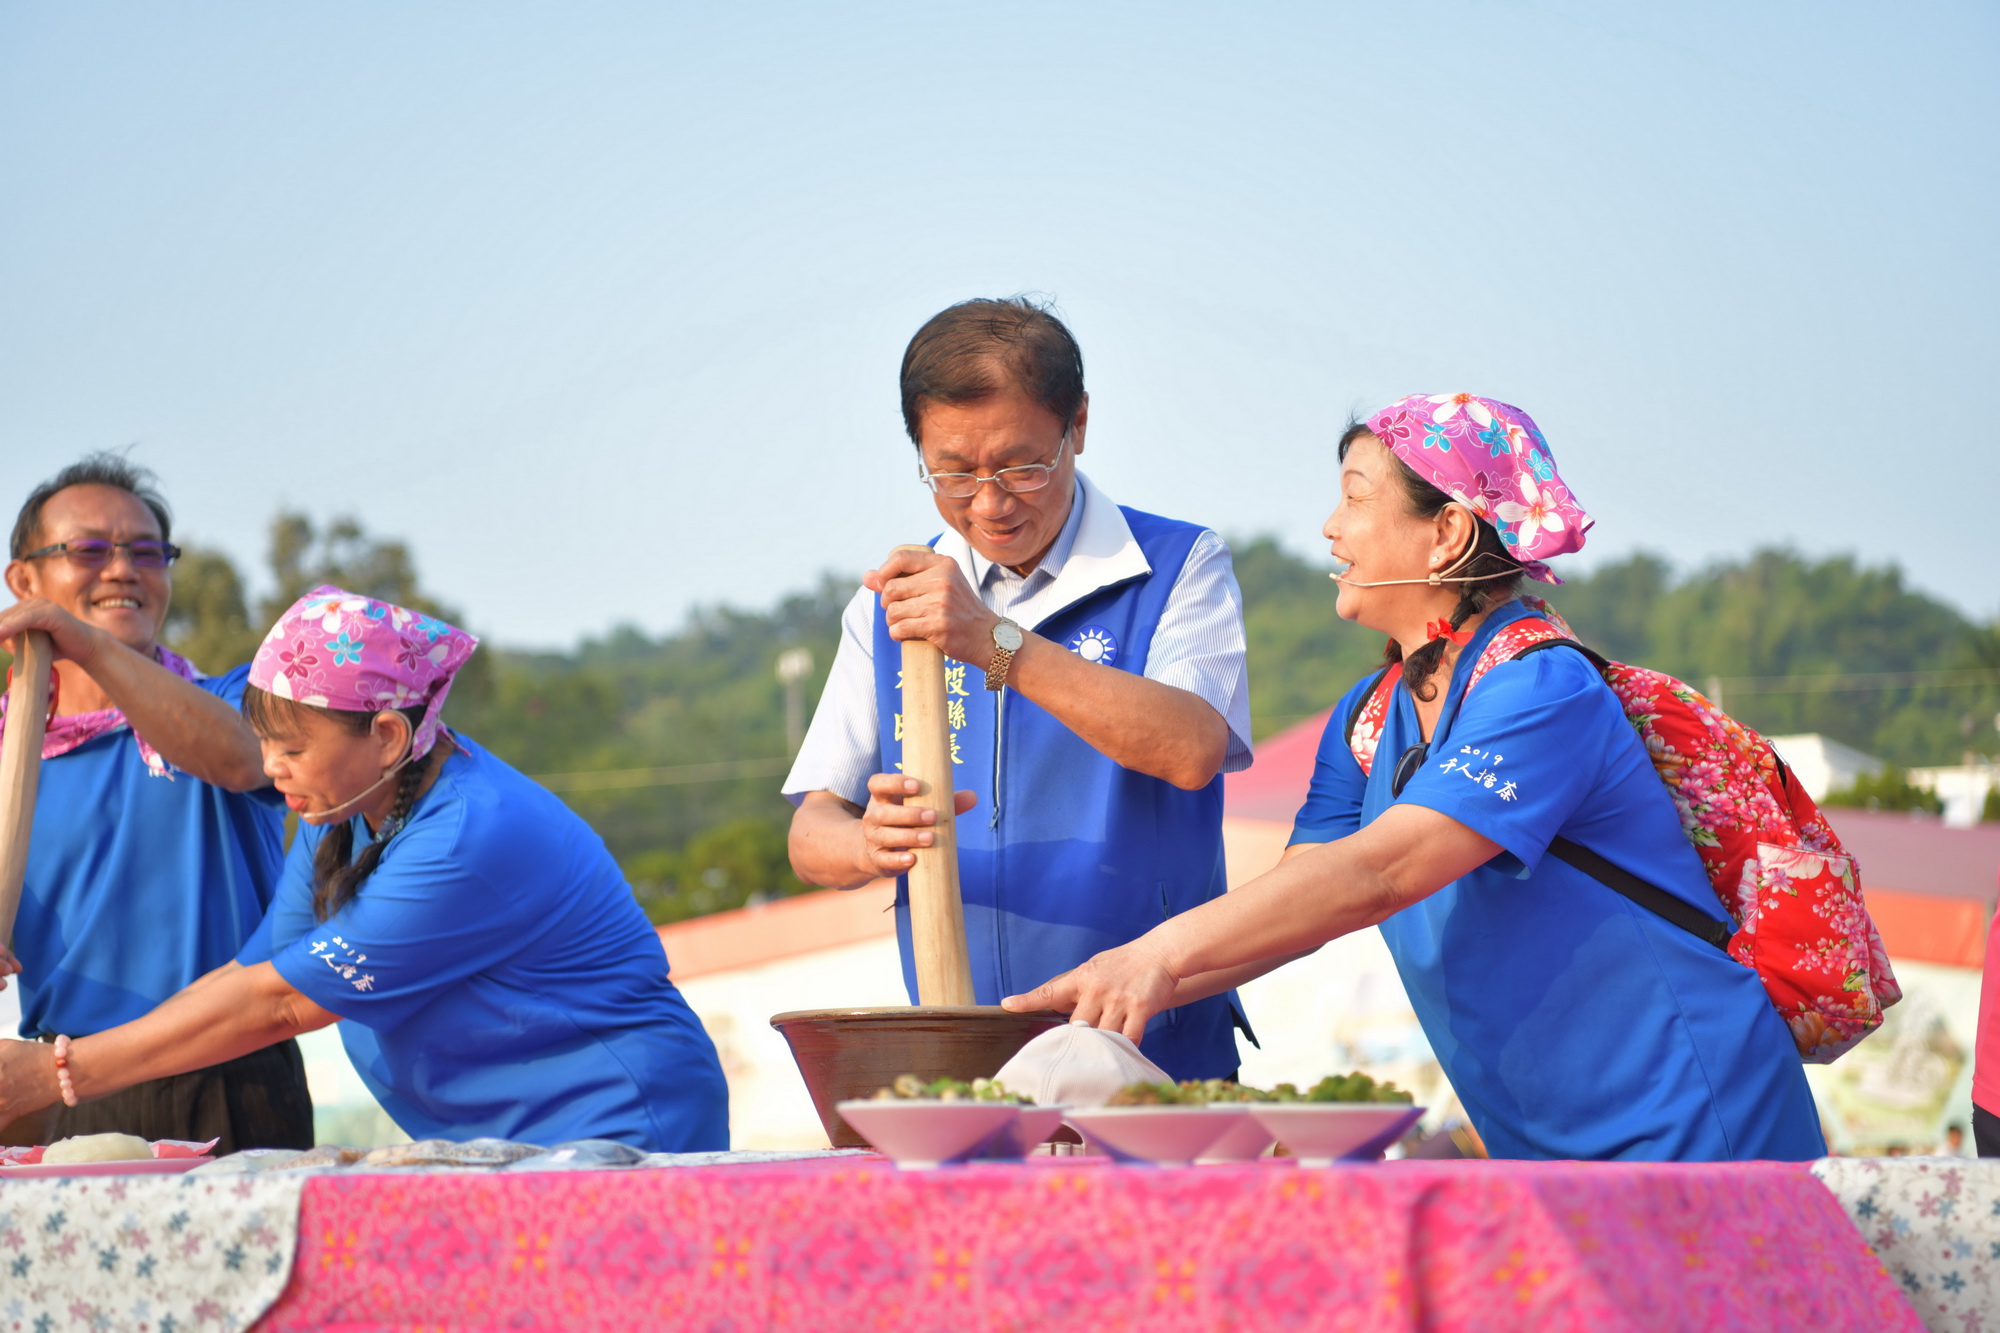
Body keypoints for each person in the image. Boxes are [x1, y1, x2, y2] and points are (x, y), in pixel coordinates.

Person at [1005, 393, 1827, 1162]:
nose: (1331, 528)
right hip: (1542, 1140)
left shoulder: (1542, 687)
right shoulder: (1369, 716)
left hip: (1693, 1117)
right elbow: (1303, 904)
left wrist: (1156, 954)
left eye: (1357, 498)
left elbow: (1379, 872)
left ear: (1448, 534)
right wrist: (1094, 996)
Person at [0, 587, 729, 1150]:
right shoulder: (342, 814)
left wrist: (58, 1072)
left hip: (618, 1125)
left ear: (385, 735)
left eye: (290, 747)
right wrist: (67, 1064)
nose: (269, 768)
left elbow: (281, 1006)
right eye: (264, 743)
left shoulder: (468, 836)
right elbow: (250, 975)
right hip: (500, 1144)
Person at [785, 298, 1255, 1079]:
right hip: (963, 1066)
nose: (989, 503)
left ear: (1077, 426)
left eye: (1021, 466)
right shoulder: (887, 607)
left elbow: (1191, 746)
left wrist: (993, 642)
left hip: (1156, 1064)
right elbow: (812, 831)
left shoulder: (1178, 565)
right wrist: (869, 842)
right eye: (954, 472)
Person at [0, 454, 309, 1153]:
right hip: (62, 1083)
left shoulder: (237, 699)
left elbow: (240, 758)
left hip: (235, 1076)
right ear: (23, 580)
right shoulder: (6, 753)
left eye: (146, 551)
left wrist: (87, 645)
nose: (121, 569)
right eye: (87, 550)